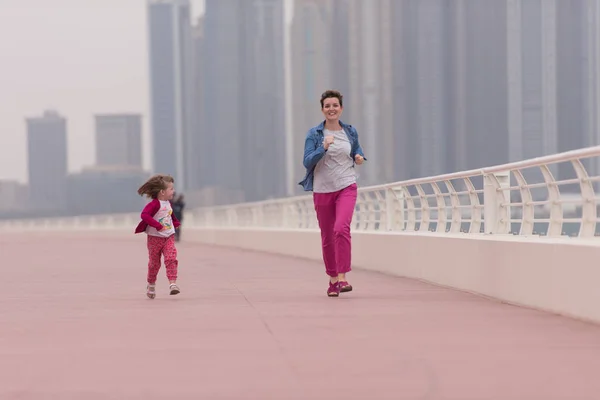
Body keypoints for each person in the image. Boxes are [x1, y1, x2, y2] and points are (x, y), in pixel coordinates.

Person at [299, 90, 366, 297]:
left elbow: (357, 150)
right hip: (323, 190)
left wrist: (359, 156)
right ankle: (333, 280)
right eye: (327, 106)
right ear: (322, 110)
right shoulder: (314, 134)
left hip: (346, 186)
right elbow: (307, 161)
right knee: (328, 236)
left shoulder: (350, 131)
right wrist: (322, 148)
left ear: (341, 108)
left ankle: (343, 278)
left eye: (335, 105)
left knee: (341, 228)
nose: (331, 109)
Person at [134, 174, 181, 299]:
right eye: (171, 189)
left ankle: (173, 284)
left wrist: (175, 223)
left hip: (168, 236)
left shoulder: (167, 203)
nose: (174, 191)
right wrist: (157, 225)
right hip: (155, 238)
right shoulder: (154, 204)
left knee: (171, 258)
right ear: (162, 192)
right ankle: (151, 284)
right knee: (154, 264)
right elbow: (144, 215)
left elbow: (170, 214)